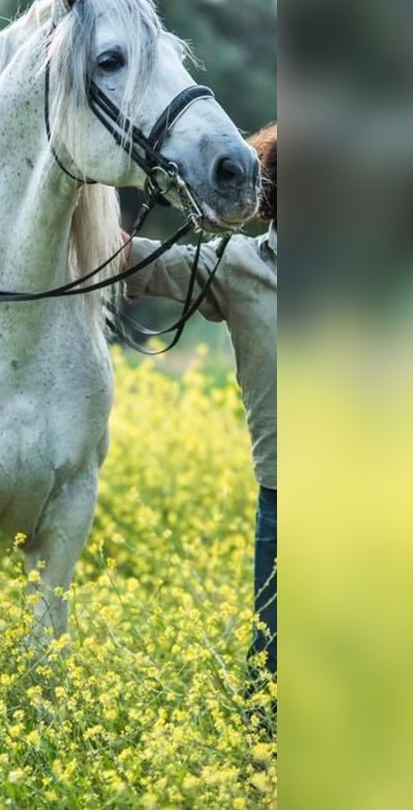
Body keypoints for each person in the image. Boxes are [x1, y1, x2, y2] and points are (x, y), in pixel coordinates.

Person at [124, 123, 277, 680]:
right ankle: (261, 761)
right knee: (273, 660)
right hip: (285, 499)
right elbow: (141, 263)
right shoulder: (237, 266)